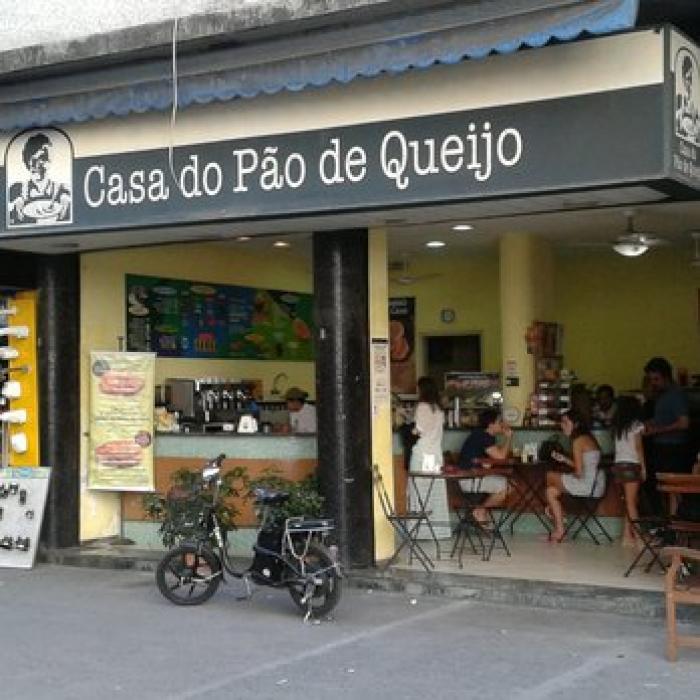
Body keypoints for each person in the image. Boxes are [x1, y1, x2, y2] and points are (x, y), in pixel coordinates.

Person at [643, 357, 691, 515]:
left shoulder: (677, 394)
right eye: (651, 380)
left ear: (666, 376)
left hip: (673, 449)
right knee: (660, 488)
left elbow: (683, 423)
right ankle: (667, 523)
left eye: (656, 379)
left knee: (673, 489)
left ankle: (675, 524)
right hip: (661, 448)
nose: (653, 383)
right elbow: (662, 418)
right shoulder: (661, 395)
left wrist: (657, 430)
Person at [545, 410, 603, 543]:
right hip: (595, 484)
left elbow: (579, 473)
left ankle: (554, 513)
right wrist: (565, 460)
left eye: (565, 422)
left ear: (576, 424)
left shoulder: (578, 441)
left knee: (550, 476)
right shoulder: (587, 438)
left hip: (587, 486)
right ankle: (560, 529)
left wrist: (565, 475)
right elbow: (581, 468)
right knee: (550, 492)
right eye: (561, 422)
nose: (562, 425)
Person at [409, 376, 450, 539]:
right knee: (434, 491)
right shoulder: (439, 409)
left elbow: (419, 429)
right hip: (435, 455)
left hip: (423, 454)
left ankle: (419, 531)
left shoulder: (422, 407)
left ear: (422, 389)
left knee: (419, 491)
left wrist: (412, 430)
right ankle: (439, 530)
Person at [457, 409, 512, 525]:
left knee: (508, 485)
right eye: (499, 421)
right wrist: (508, 437)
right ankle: (480, 511)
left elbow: (490, 461)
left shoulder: (483, 435)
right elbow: (501, 457)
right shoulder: (483, 436)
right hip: (469, 480)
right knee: (507, 487)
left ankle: (479, 511)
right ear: (491, 424)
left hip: (473, 477)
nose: (502, 424)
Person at [8, 132, 71, 225]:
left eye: (43, 158)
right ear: (27, 161)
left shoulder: (61, 190)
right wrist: (14, 206)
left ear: (49, 161)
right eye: (33, 159)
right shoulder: (17, 190)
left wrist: (67, 202)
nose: (37, 165)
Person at [611, 395, 646, 546]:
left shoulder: (618, 426)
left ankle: (627, 536)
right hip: (632, 465)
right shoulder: (636, 425)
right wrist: (643, 467)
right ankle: (640, 537)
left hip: (619, 465)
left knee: (628, 501)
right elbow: (638, 447)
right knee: (632, 503)